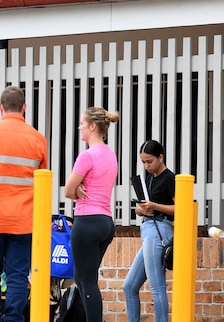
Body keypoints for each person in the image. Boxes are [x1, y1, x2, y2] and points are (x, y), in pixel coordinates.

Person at [0, 86, 48, 322]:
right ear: (24, 107)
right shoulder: (37, 139)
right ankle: (15, 318)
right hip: (23, 220)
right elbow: (42, 178)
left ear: (0, 107)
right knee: (17, 274)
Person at [64, 107, 119, 322]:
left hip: (87, 221)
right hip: (106, 222)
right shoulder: (110, 154)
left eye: (82, 124)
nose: (80, 127)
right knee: (84, 276)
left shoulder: (87, 156)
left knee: (86, 280)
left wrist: (76, 189)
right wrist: (79, 187)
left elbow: (68, 190)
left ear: (93, 127)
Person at [122, 140, 175, 322]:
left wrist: (155, 205)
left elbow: (181, 208)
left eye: (150, 161)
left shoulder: (170, 178)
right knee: (129, 286)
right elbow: (142, 207)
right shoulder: (149, 178)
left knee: (157, 287)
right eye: (143, 162)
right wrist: (141, 209)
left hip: (159, 229)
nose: (146, 166)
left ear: (161, 157)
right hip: (148, 228)